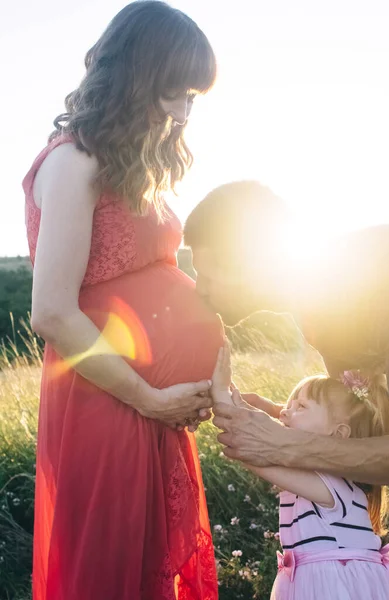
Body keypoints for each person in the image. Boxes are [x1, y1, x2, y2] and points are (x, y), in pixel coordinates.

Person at [23, 3, 223, 599]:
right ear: (135, 73)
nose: (182, 112)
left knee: (149, 572)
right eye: (172, 92)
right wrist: (150, 398)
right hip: (112, 399)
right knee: (113, 574)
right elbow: (52, 311)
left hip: (150, 405)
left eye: (192, 97)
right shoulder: (73, 162)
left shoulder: (127, 166)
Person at [183, 181, 389, 485]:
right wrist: (282, 420)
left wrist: (281, 444)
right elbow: (367, 426)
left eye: (207, 275)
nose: (200, 290)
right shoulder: (318, 311)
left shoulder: (385, 282)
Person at [211, 343, 389, 599]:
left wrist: (220, 391)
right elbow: (260, 438)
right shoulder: (326, 475)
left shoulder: (329, 484)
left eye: (300, 407)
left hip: (334, 586)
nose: (285, 412)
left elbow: (254, 452)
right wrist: (232, 399)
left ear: (338, 434)